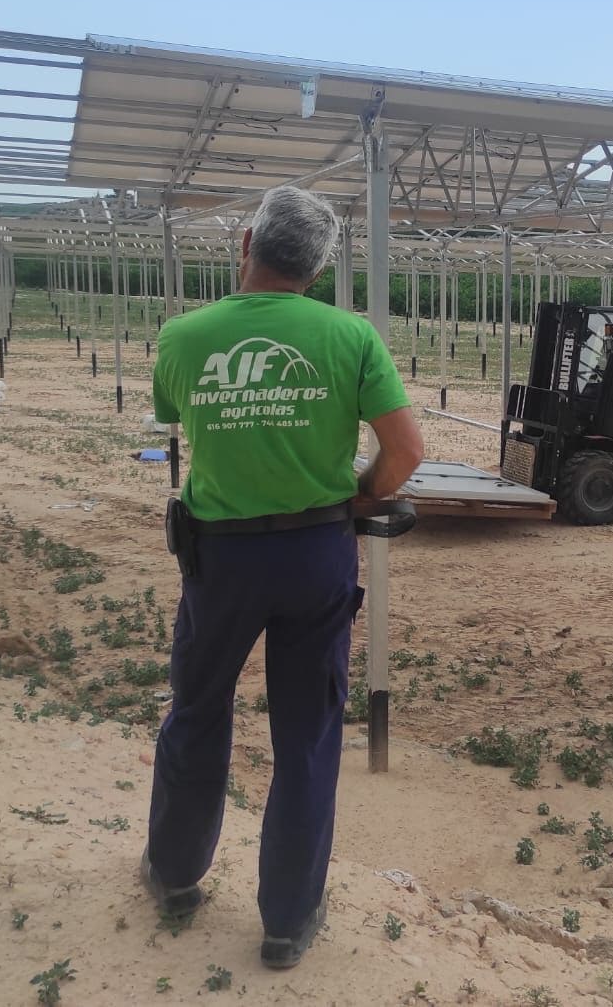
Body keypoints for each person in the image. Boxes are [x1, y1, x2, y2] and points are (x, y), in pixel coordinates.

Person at [142, 185, 423, 971]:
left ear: (246, 241)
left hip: (220, 558)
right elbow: (405, 452)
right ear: (319, 266)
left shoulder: (185, 336)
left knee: (197, 708)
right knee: (306, 732)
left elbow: (175, 412)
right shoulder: (350, 336)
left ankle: (174, 874)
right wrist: (363, 493)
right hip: (315, 554)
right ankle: (288, 918)